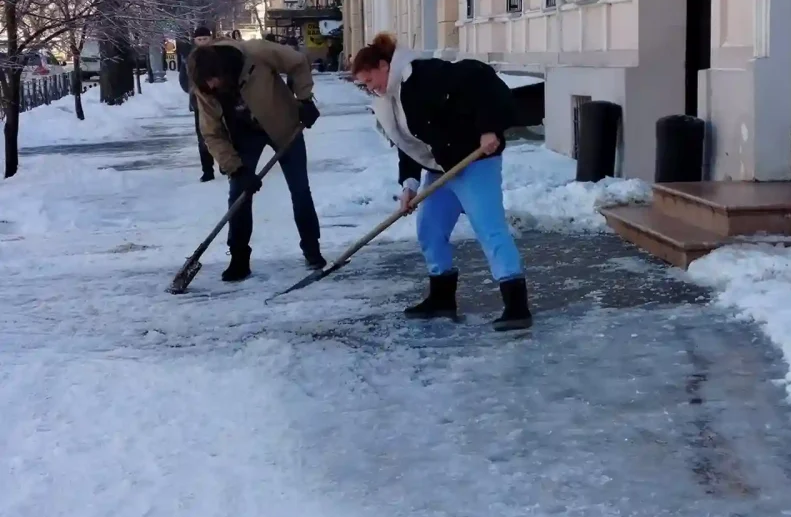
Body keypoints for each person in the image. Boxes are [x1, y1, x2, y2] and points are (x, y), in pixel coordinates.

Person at [351, 33, 532, 332]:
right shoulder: (392, 99)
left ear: (384, 65)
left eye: (370, 79)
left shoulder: (424, 74)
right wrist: (409, 185)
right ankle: (442, 298)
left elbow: (479, 77)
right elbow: (409, 145)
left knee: (490, 230)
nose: (371, 88)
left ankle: (516, 305)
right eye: (365, 85)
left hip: (475, 162)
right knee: (430, 230)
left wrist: (489, 128)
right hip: (441, 169)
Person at [187, 38, 326, 282]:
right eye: (205, 84)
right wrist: (236, 169)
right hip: (243, 135)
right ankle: (239, 257)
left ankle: (311, 248)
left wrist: (304, 99)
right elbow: (212, 133)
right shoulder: (204, 88)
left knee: (300, 188)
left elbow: (298, 61)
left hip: (284, 125)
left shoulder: (256, 53)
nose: (211, 86)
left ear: (222, 69)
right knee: (238, 194)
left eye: (213, 79)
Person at [178, 25, 216, 182]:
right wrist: (194, 91)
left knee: (224, 133)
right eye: (199, 39)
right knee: (203, 137)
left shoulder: (219, 54)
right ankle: (207, 170)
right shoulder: (190, 59)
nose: (203, 42)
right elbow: (183, 80)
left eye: (205, 39)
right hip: (199, 102)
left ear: (211, 38)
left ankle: (226, 163)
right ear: (195, 41)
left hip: (220, 99)